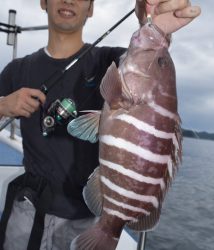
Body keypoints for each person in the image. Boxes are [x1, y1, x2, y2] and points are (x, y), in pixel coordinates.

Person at [0, 0, 201, 249]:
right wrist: (2, 106)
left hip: (85, 216)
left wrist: (153, 25)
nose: (69, 0)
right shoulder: (17, 70)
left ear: (91, 8)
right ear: (43, 2)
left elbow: (144, 57)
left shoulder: (110, 61)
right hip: (27, 210)